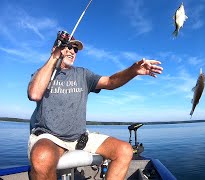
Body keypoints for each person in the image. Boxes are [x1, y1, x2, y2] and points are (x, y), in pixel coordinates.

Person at [27, 31, 163, 180]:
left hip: (80, 138)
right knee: (41, 156)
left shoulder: (83, 74)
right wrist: (54, 58)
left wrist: (133, 71)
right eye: (68, 47)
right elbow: (34, 94)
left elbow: (110, 82)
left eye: (75, 49)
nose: (72, 51)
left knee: (124, 150)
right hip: (50, 137)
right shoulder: (43, 73)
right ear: (56, 48)